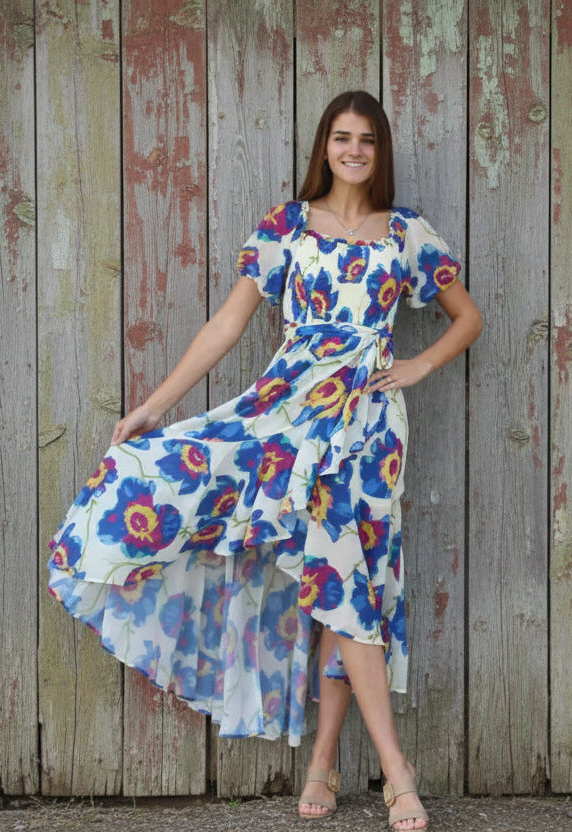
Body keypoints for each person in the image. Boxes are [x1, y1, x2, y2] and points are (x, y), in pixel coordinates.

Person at [48, 90, 482, 830]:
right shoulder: (289, 226)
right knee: (339, 576)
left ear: (380, 151)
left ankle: (323, 763)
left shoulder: (406, 232)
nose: (353, 150)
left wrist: (417, 365)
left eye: (366, 139)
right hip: (288, 414)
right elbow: (227, 323)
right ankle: (396, 770)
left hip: (370, 426)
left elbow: (466, 317)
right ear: (324, 147)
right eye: (341, 137)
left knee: (349, 578)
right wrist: (154, 406)